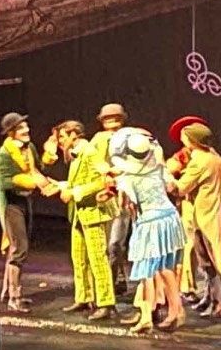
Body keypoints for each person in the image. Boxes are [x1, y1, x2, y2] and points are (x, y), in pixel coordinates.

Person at [108, 128, 187, 334]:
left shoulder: (128, 179)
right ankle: (175, 311)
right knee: (165, 268)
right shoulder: (158, 168)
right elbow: (172, 187)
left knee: (148, 271)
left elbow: (124, 205)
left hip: (150, 223)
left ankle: (145, 318)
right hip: (169, 218)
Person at [41, 120, 119, 321]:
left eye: (62, 137)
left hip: (94, 211)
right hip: (79, 212)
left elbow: (104, 179)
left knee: (97, 259)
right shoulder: (76, 154)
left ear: (74, 134)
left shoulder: (90, 151)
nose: (59, 142)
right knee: (79, 257)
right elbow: (79, 181)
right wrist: (60, 185)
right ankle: (84, 297)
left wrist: (74, 192)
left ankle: (105, 303)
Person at [0, 112, 57, 313]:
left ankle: (7, 291)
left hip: (25, 200)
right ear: (11, 133)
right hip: (11, 204)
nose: (26, 130)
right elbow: (2, 182)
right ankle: (15, 296)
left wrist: (49, 153)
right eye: (21, 128)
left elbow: (39, 168)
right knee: (19, 248)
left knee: (18, 246)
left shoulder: (29, 149)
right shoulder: (2, 155)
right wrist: (27, 181)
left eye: (26, 126)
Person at [173, 123, 221, 318]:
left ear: (193, 140)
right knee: (205, 260)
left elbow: (181, 188)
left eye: (185, 137)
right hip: (211, 212)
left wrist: (164, 178)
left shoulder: (199, 161)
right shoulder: (214, 157)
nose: (182, 140)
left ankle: (218, 302)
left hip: (204, 216)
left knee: (209, 261)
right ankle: (209, 297)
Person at [165, 115, 209, 301]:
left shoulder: (208, 154)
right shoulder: (183, 155)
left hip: (206, 204)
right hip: (188, 205)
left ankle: (206, 286)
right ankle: (186, 286)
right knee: (188, 244)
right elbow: (168, 169)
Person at [90, 103, 132, 293]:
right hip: (104, 197)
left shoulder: (131, 139)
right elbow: (88, 159)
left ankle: (115, 279)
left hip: (123, 197)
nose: (112, 127)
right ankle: (114, 280)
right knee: (107, 244)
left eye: (115, 122)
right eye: (108, 122)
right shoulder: (98, 140)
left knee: (115, 243)